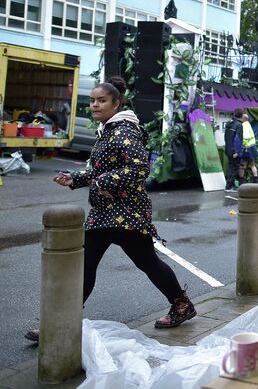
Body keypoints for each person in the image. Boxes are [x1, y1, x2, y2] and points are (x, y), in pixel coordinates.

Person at [25, 76, 196, 342]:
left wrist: (101, 181)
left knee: (147, 262)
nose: (94, 105)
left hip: (127, 212)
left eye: (101, 101)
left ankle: (182, 304)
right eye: (92, 100)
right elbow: (99, 169)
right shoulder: (107, 130)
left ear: (116, 103)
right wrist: (76, 178)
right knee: (84, 265)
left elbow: (139, 168)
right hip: (105, 212)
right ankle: (60, 321)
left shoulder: (124, 130)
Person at [224, 107, 244, 190]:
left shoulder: (229, 123)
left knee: (230, 167)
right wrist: (237, 152)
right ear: (241, 115)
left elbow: (226, 137)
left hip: (228, 148)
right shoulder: (239, 125)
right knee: (234, 168)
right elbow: (238, 139)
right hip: (234, 150)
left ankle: (229, 185)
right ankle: (229, 186)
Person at [239, 112, 258, 183]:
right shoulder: (249, 125)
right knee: (252, 165)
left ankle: (241, 181)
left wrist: (242, 144)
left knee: (242, 166)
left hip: (246, 148)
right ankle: (256, 180)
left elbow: (246, 137)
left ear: (242, 119)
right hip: (252, 148)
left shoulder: (244, 126)